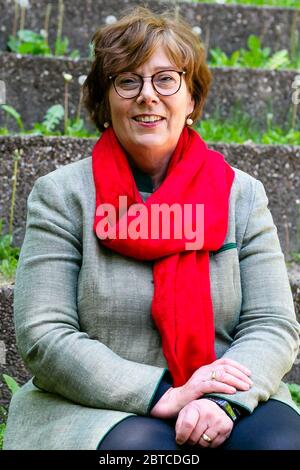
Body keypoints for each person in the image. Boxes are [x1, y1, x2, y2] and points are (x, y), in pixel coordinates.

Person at [3, 6, 300, 451]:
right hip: (96, 404)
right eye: (128, 80)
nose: (148, 95)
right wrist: (162, 393)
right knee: (143, 452)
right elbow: (45, 334)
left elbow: (272, 323)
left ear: (192, 100)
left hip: (228, 393)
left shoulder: (241, 194)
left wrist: (219, 401)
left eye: (166, 79)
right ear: (106, 102)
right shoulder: (63, 196)